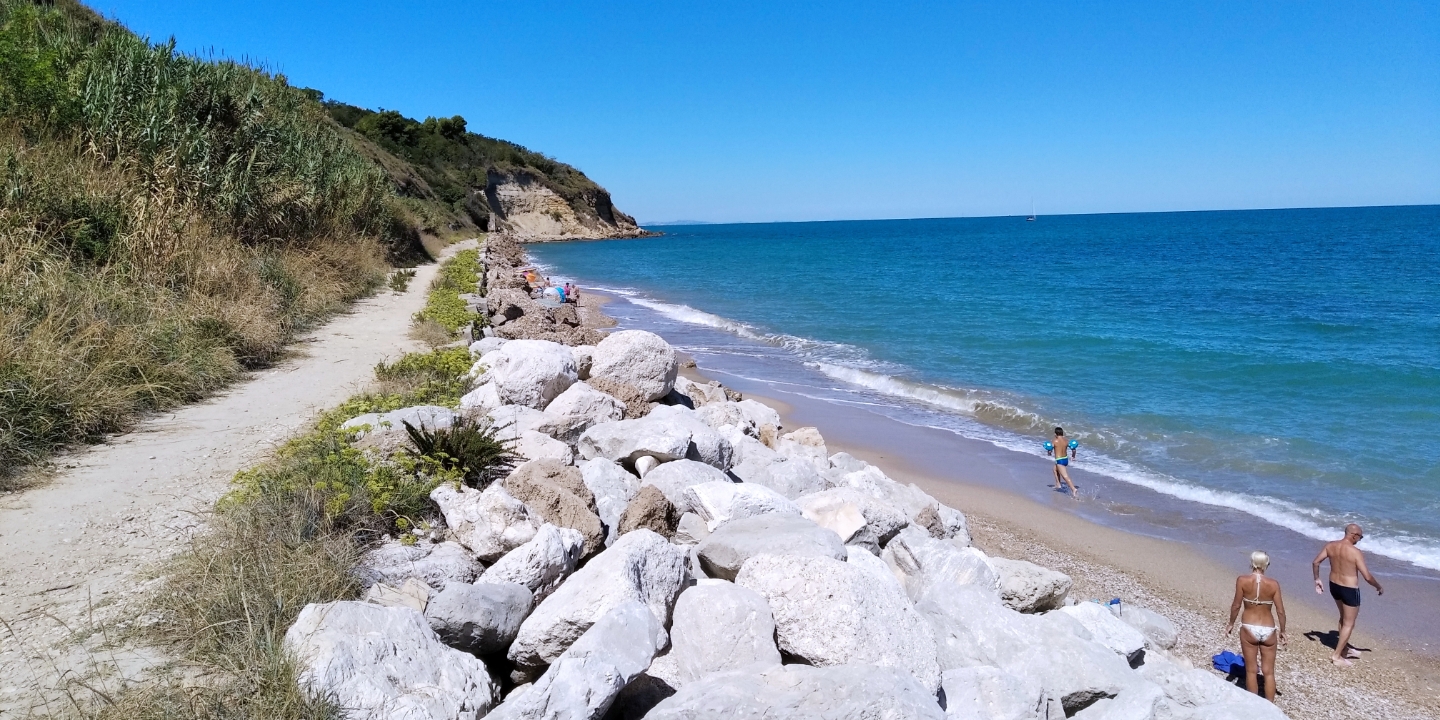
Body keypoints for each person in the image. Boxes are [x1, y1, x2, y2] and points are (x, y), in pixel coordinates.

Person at [1312, 523, 1383, 666]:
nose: (1360, 540)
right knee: (1349, 623)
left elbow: (1316, 562)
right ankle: (1337, 656)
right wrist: (1378, 586)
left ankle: (1343, 648)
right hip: (1349, 590)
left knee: (1343, 618)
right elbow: (1367, 577)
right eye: (1360, 537)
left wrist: (1317, 579)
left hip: (1334, 586)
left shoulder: (1331, 546)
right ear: (1354, 535)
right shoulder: (1355, 552)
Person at [1225, 551, 1287, 701]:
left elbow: (1236, 605)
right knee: (1269, 672)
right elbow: (1280, 611)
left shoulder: (1242, 580)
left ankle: (1255, 708)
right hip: (1269, 629)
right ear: (1266, 564)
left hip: (1248, 627)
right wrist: (1283, 631)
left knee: (1251, 670)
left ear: (1252, 562)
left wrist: (1231, 623)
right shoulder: (1273, 584)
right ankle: (1270, 709)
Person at [1047, 427, 1079, 497]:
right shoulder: (1066, 440)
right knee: (1054, 469)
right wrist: (1073, 456)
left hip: (1059, 460)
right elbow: (1073, 449)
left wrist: (1048, 452)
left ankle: (1073, 489)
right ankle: (1058, 484)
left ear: (1055, 434)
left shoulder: (1055, 441)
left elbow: (1050, 450)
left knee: (1065, 476)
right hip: (1065, 459)